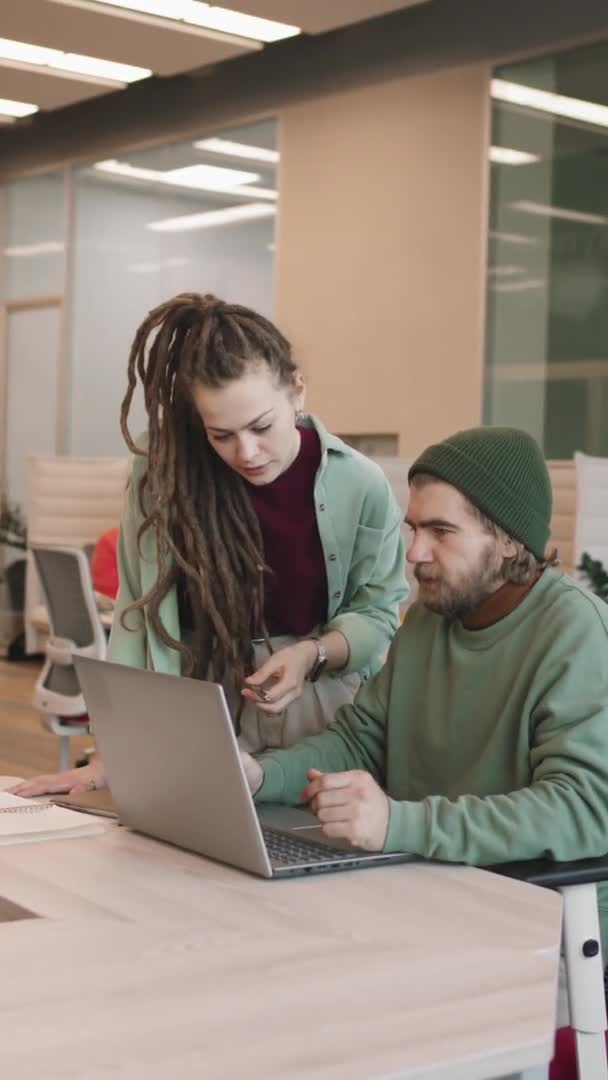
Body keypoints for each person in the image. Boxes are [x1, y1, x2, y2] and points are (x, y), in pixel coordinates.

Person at [13, 292, 406, 797]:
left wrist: (313, 654)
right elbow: (140, 617)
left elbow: (377, 614)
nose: (247, 452)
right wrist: (118, 752)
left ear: (297, 391)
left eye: (262, 426)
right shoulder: (163, 481)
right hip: (207, 703)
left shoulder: (363, 484)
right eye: (221, 435)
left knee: (312, 852)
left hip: (324, 709)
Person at [238, 425, 608, 941]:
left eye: (440, 531)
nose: (414, 553)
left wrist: (399, 824)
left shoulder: (579, 633)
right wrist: (258, 777)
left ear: (506, 539)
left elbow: (584, 809)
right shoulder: (431, 619)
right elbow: (359, 740)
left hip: (538, 928)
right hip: (421, 891)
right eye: (413, 529)